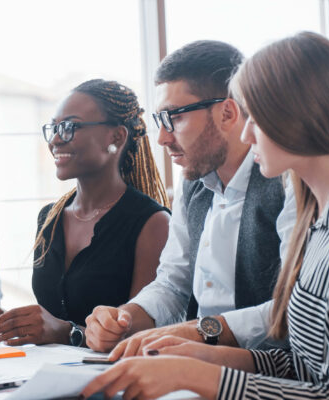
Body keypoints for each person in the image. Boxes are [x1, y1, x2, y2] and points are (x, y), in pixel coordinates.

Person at [81, 31, 329, 400]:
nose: (247, 134)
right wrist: (205, 356)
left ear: (297, 119)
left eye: (256, 117)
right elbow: (304, 366)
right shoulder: (322, 222)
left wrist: (205, 375)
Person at [85, 41, 295, 354]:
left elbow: (297, 308)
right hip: (191, 365)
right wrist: (124, 318)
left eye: (175, 118)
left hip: (268, 375)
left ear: (227, 112)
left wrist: (202, 332)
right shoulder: (193, 183)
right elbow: (173, 282)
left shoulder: (289, 181)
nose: (162, 138)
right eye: (160, 120)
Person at [0, 79, 171, 346]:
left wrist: (67, 332)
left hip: (115, 380)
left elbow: (145, 336)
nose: (56, 139)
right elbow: (53, 320)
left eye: (70, 127)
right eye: (54, 128)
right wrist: (0, 317)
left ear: (116, 137)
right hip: (51, 375)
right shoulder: (50, 217)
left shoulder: (153, 223)